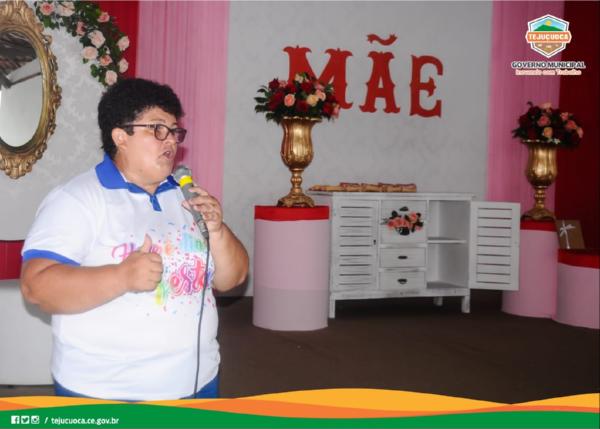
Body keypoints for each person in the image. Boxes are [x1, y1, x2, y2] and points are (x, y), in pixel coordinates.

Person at [20, 78, 249, 401]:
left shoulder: (186, 195)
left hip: (199, 382)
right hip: (106, 392)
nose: (171, 141)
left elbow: (232, 279)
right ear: (120, 137)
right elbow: (37, 287)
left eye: (174, 131)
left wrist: (217, 230)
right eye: (158, 129)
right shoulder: (76, 199)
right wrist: (121, 276)